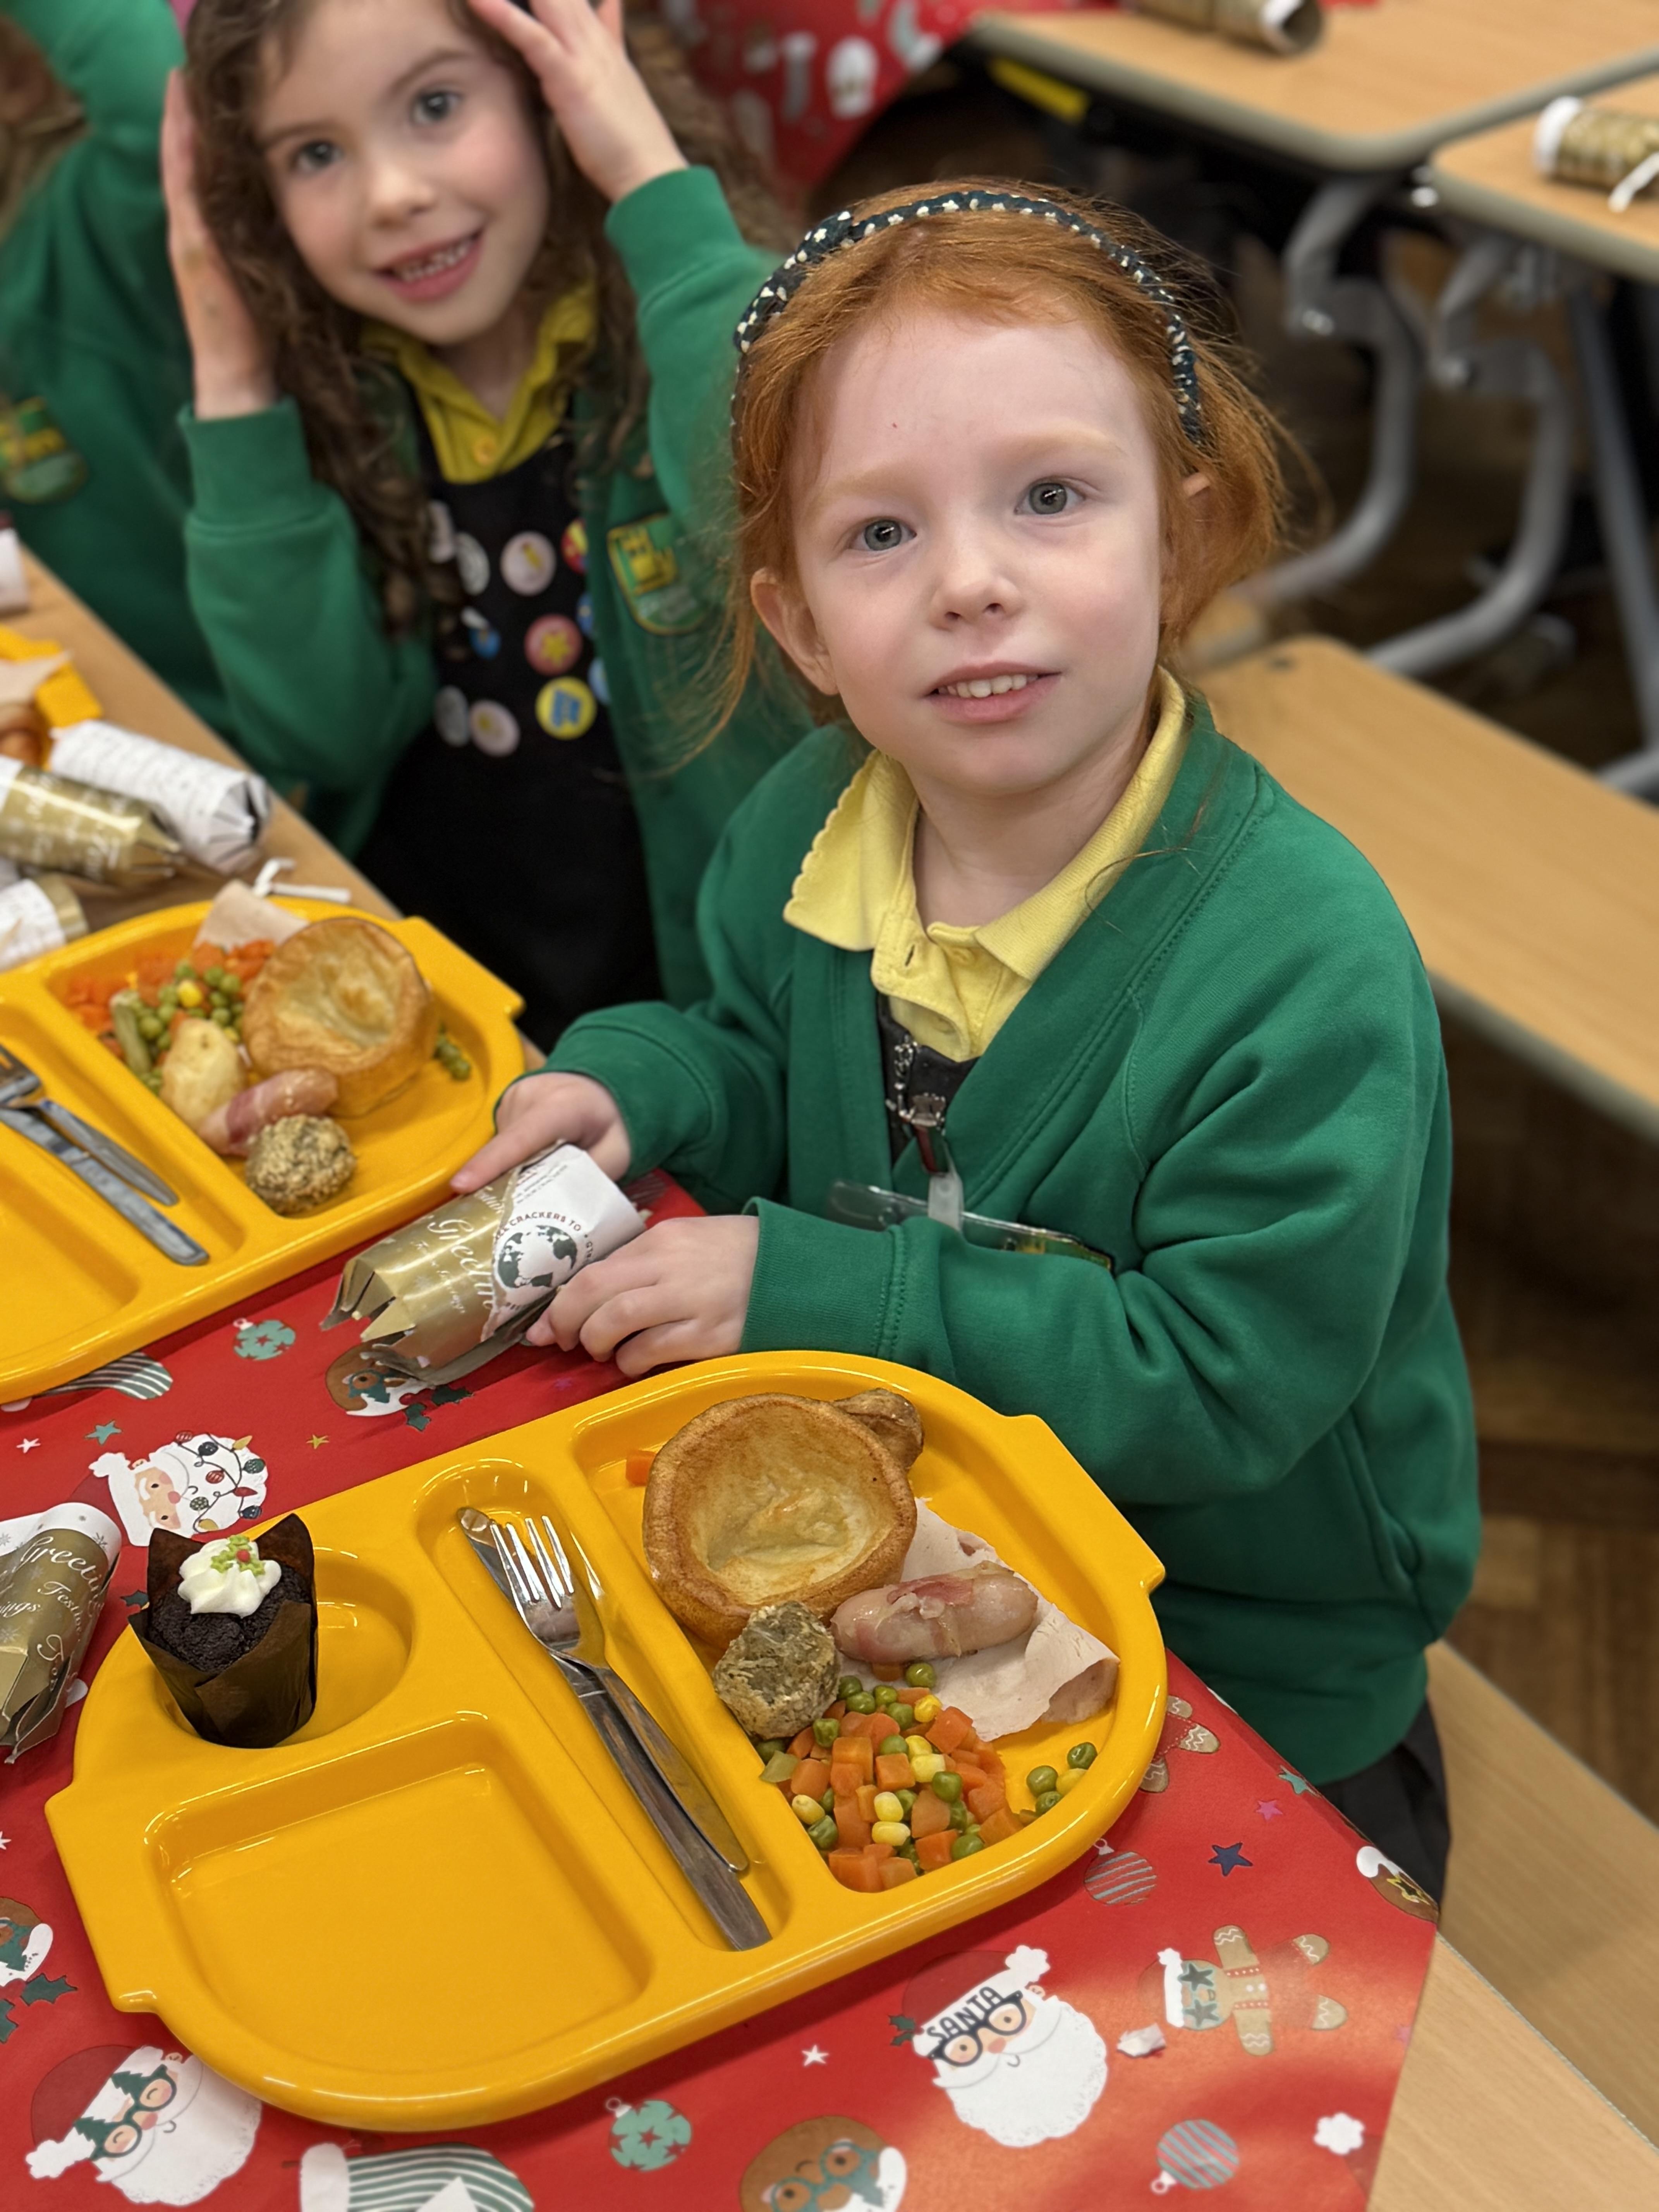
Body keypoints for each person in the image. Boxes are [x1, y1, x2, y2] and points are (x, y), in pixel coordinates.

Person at [456, 182, 1479, 1894]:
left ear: (1182, 540)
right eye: (881, 534)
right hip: (903, 1562)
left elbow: (1219, 1383)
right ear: (799, 623)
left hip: (1254, 1655)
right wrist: (641, 1084)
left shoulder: (1307, 960)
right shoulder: (802, 828)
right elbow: (759, 1054)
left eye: (1051, 499)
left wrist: (825, 1299)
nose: (972, 584)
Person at [163, 0, 795, 1042]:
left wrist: (649, 179)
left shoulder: (684, 337)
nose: (393, 195)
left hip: (701, 1025)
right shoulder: (334, 391)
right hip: (437, 1007)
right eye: (315, 152)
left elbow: (788, 525)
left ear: (554, 95)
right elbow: (321, 734)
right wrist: (233, 378)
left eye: (436, 105)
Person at [0, 0, 233, 734]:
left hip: (238, 732)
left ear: (13, 84)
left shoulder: (87, 224)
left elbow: (158, 109)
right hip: (71, 727)